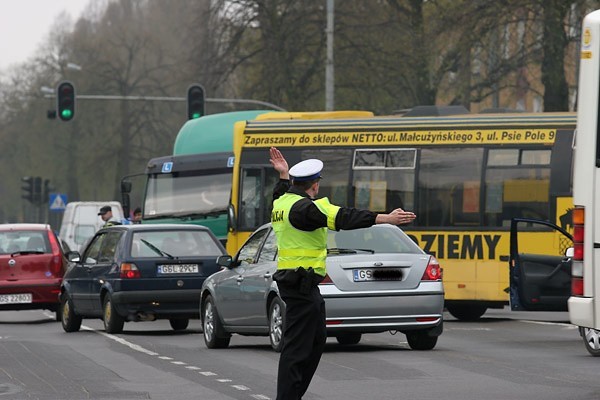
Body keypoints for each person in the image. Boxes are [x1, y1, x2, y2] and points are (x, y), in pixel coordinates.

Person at [269, 147, 416, 400]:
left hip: (299, 284)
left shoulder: (282, 202)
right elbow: (345, 217)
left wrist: (283, 176)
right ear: (314, 185)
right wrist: (384, 218)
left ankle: (292, 395)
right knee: (298, 348)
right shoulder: (305, 209)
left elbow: (280, 193)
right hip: (300, 284)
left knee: (315, 340)